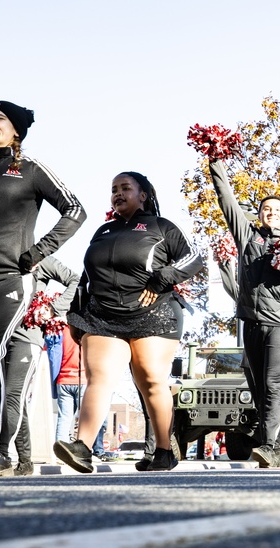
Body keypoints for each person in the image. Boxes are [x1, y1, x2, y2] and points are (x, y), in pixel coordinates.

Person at [0, 101, 86, 475]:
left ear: (17, 131)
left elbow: (75, 210)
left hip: (9, 279)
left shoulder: (30, 169)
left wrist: (38, 252)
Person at [54, 171, 202, 473]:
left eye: (125, 188)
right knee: (100, 378)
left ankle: (163, 451)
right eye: (113, 190)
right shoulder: (103, 231)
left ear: (143, 195)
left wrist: (162, 279)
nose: (117, 194)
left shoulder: (161, 227)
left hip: (153, 313)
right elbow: (87, 277)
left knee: (150, 379)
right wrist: (76, 314)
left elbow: (194, 257)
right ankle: (81, 447)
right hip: (103, 317)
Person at [209, 157, 280, 468]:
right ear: (259, 215)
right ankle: (276, 443)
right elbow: (226, 199)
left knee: (274, 383)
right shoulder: (248, 237)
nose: (271, 214)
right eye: (267, 209)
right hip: (251, 322)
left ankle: (271, 445)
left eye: (277, 211)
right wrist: (215, 161)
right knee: (257, 386)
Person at [0, 257, 79, 477]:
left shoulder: (39, 259)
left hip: (26, 338)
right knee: (16, 399)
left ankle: (1, 454)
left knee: (13, 395)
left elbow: (75, 280)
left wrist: (53, 308)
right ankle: (24, 461)